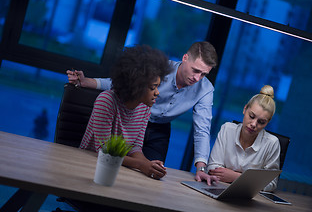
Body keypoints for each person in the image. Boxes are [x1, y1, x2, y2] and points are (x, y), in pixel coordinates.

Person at [67, 41, 218, 184]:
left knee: (150, 176)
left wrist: (201, 168)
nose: (198, 78)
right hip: (122, 126)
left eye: (204, 74)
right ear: (185, 58)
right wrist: (87, 82)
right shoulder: (159, 69)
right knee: (126, 169)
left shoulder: (204, 89)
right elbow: (122, 83)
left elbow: (202, 130)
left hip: (157, 127)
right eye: (196, 70)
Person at [80, 45, 172, 180]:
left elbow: (135, 147)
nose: (157, 93)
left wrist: (149, 164)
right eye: (153, 87)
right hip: (89, 166)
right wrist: (141, 165)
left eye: (157, 87)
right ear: (136, 85)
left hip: (116, 168)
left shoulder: (145, 107)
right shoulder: (106, 101)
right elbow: (104, 152)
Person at [206, 85, 280, 191]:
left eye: (261, 122)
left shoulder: (272, 143)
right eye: (251, 116)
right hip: (218, 189)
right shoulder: (227, 129)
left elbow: (271, 184)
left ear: (267, 122)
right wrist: (251, 181)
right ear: (245, 109)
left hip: (248, 200)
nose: (254, 124)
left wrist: (234, 177)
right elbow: (212, 168)